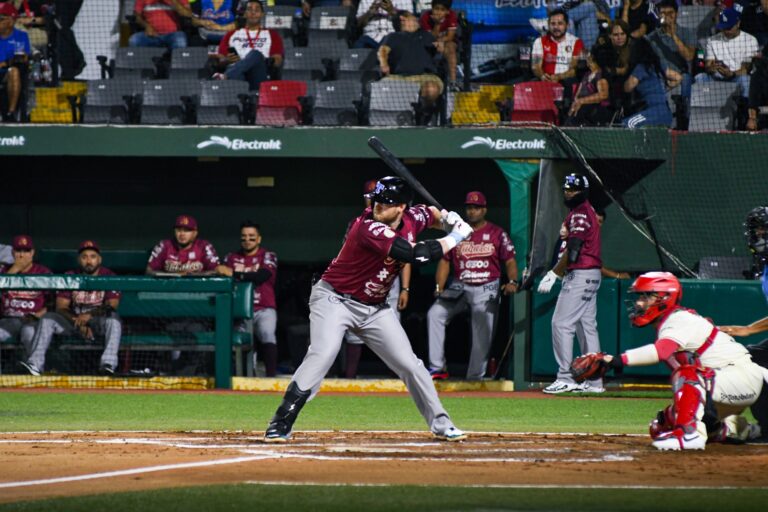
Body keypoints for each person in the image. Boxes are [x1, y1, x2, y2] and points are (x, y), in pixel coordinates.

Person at [263, 176, 473, 443]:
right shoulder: (367, 227)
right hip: (335, 299)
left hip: (374, 309)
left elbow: (430, 213)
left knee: (411, 365)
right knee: (322, 354)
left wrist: (447, 220)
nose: (378, 206)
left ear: (401, 208)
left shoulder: (412, 216)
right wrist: (456, 235)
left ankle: (442, 424)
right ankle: (280, 422)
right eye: (376, 200)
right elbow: (415, 254)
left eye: (386, 202)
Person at [585, 272, 766, 449]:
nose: (639, 303)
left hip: (739, 380)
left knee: (687, 373)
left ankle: (689, 435)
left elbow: (661, 352)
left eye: (646, 297)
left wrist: (615, 361)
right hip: (724, 389)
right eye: (639, 297)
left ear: (664, 298)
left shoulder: (678, 319)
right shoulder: (672, 321)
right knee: (661, 426)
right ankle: (734, 428)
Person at [427, 191, 518, 381]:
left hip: (487, 285)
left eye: (476, 208)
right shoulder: (458, 232)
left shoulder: (497, 233)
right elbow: (445, 261)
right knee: (435, 314)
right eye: (469, 207)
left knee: (482, 326)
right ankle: (437, 367)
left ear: (484, 210)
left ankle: (475, 377)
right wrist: (438, 287)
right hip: (459, 286)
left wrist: (512, 281)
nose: (472, 211)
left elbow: (509, 260)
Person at [537, 173, 604, 394]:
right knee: (586, 327)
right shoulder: (582, 211)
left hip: (581, 273)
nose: (568, 193)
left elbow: (574, 250)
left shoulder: (581, 212)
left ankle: (566, 377)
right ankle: (594, 382)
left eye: (573, 190)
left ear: (583, 192)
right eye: (566, 189)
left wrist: (554, 274)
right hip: (590, 274)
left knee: (561, 323)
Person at [20, 240, 123, 377]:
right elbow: (61, 306)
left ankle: (107, 365)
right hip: (72, 322)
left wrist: (89, 316)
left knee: (114, 320)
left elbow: (112, 304)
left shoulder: (109, 276)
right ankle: (35, 365)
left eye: (92, 257)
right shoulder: (70, 275)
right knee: (48, 319)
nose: (89, 261)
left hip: (97, 322)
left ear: (99, 259)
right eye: (84, 257)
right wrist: (79, 322)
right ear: (79, 259)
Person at [343, 179, 411, 379]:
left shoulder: (398, 223)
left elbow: (406, 257)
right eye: (370, 197)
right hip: (361, 282)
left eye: (377, 197)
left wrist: (406, 288)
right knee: (353, 333)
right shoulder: (358, 224)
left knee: (392, 334)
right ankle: (350, 378)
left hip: (389, 282)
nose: (374, 201)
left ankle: (394, 379)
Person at [219, 221, 279, 377]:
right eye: (244, 236)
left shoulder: (268, 256)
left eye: (252, 237)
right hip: (239, 310)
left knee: (267, 333)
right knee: (242, 343)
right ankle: (246, 378)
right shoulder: (231, 257)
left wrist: (235, 274)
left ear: (259, 239)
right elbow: (221, 274)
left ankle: (271, 377)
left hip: (264, 307)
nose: (247, 240)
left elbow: (261, 276)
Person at [214, 0, 285, 91]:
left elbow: (278, 60)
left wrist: (268, 61)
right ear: (244, 14)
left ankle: (226, 76)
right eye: (250, 9)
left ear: (262, 14)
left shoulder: (272, 34)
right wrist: (226, 60)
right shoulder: (231, 34)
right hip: (237, 74)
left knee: (256, 54)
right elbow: (220, 59)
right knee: (236, 74)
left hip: (259, 72)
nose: (253, 12)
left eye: (257, 10)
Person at [0, 236, 51, 361]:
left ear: (32, 253)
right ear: (13, 253)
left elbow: (53, 302)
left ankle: (36, 370)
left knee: (30, 335)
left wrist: (38, 315)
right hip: (9, 320)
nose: (22, 255)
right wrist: (14, 270)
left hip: (32, 320)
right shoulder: (4, 270)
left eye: (26, 251)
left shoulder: (43, 272)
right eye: (18, 251)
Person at [378, 9, 444, 105]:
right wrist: (384, 64)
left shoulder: (427, 35)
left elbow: (438, 50)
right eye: (413, 16)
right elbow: (383, 50)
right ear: (403, 19)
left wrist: (440, 48)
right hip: (398, 78)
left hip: (425, 77)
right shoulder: (392, 36)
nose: (416, 19)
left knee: (432, 89)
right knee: (383, 86)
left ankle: (421, 110)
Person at [696, 7, 759, 98]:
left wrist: (731, 74)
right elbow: (708, 65)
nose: (726, 31)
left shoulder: (750, 40)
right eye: (724, 28)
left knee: (746, 79)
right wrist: (711, 68)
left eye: (729, 28)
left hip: (736, 78)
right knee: (700, 77)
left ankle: (745, 106)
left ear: (738, 23)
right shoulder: (712, 40)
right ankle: (703, 105)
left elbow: (746, 69)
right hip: (717, 79)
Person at [647, 0, 695, 115]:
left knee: (686, 78)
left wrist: (673, 35)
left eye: (670, 13)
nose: (667, 16)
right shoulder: (651, 37)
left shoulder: (687, 32)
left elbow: (689, 57)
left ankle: (685, 114)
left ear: (676, 14)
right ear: (658, 15)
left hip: (682, 76)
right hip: (662, 76)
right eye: (663, 13)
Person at [622, 37, 675, 128]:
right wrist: (665, 88)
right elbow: (678, 77)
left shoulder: (641, 68)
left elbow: (628, 87)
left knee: (627, 124)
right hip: (665, 112)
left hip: (654, 113)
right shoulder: (658, 66)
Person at [146, 214, 221, 276]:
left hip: (197, 287)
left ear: (195, 233)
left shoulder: (203, 246)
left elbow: (216, 270)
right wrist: (174, 275)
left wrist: (189, 275)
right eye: (179, 230)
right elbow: (149, 271)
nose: (182, 234)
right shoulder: (164, 245)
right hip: (169, 287)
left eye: (187, 230)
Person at [531, 9, 583, 96]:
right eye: (553, 24)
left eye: (560, 23)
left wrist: (558, 77)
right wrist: (542, 76)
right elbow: (535, 66)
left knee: (572, 81)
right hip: (545, 80)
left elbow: (573, 70)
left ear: (567, 25)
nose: (556, 27)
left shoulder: (576, 42)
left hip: (566, 81)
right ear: (548, 25)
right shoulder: (539, 41)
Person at [564, 44, 615, 127]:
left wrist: (581, 101)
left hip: (597, 110)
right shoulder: (587, 74)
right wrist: (575, 102)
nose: (588, 61)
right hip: (582, 108)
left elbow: (603, 95)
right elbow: (578, 93)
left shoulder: (601, 75)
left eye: (590, 59)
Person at [418, 0, 458, 91]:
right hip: (429, 43)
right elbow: (430, 38)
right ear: (432, 8)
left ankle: (453, 82)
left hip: (447, 42)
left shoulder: (452, 15)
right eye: (436, 9)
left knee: (450, 48)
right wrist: (437, 23)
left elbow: (450, 36)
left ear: (447, 11)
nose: (439, 12)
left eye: (442, 10)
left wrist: (440, 41)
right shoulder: (425, 17)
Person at [0, 2, 30, 122]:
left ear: (11, 21)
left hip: (7, 71)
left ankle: (10, 113)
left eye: (1, 19)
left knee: (14, 72)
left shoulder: (21, 36)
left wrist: (6, 63)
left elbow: (24, 57)